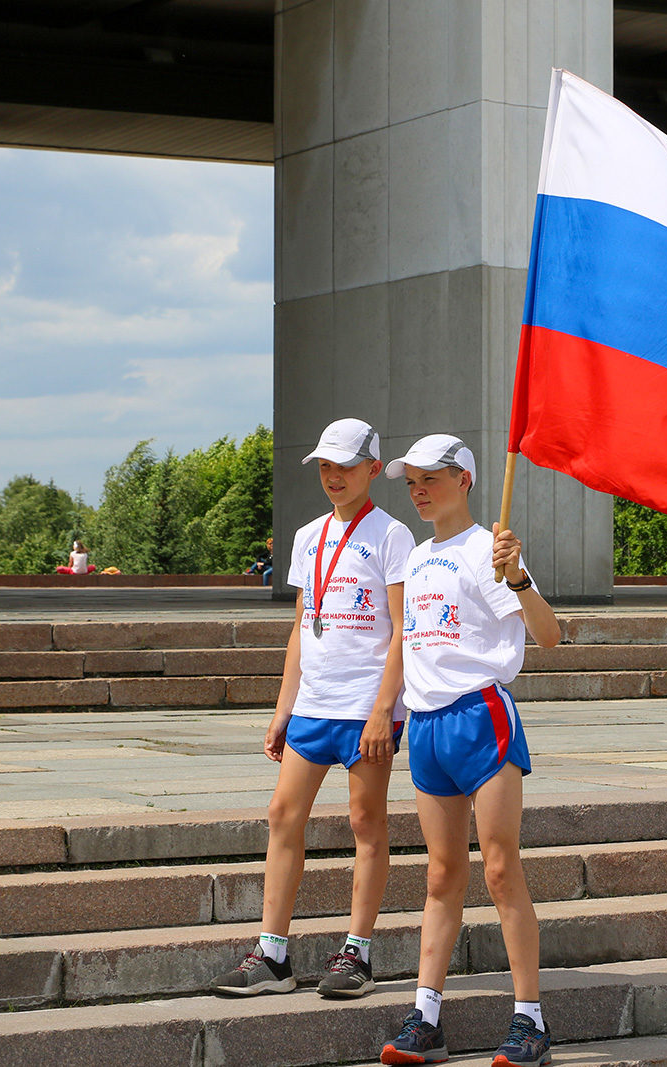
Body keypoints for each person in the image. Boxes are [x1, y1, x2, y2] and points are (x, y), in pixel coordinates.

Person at [210, 419, 416, 1000]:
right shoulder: (307, 537)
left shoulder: (391, 536)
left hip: (365, 708)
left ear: (374, 469)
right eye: (325, 466)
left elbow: (402, 630)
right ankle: (272, 954)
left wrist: (384, 710)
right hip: (314, 704)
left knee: (364, 823)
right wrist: (283, 707)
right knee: (282, 814)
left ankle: (358, 953)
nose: (333, 477)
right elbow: (303, 624)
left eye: (345, 467)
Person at [377, 434, 561, 1067]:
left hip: (482, 718)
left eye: (431, 477)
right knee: (439, 875)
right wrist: (388, 712)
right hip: (426, 728)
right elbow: (403, 644)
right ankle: (427, 1018)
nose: (419, 489)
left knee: (501, 868)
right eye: (411, 482)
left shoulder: (492, 548)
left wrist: (520, 576)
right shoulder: (420, 556)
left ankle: (530, 1019)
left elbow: (550, 638)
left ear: (466, 481)